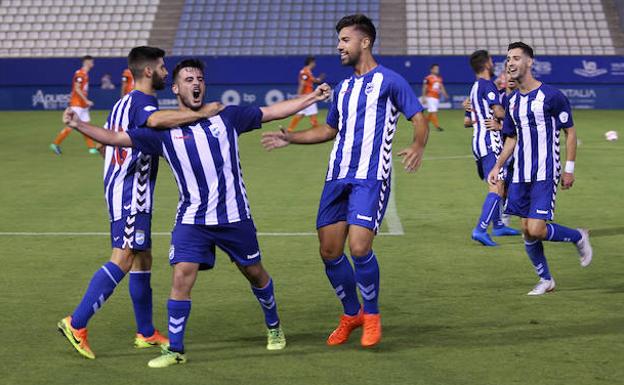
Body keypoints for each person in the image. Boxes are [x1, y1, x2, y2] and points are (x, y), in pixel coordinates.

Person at [63, 58, 332, 367]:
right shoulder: (163, 132)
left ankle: (274, 326)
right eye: (188, 78)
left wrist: (313, 96)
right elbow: (116, 138)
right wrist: (78, 125)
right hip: (192, 219)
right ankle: (175, 349)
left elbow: (272, 112)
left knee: (255, 274)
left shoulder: (228, 116)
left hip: (234, 216)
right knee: (181, 277)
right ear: (176, 88)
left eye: (200, 78)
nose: (195, 83)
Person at [261, 14, 428, 348]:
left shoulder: (390, 81)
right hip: (336, 177)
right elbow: (328, 130)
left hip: (370, 178)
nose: (339, 46)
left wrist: (417, 145)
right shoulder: (343, 88)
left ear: (364, 42)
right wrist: (291, 137)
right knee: (329, 250)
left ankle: (373, 315)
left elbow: (418, 117)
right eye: (339, 40)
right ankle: (351, 314)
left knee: (359, 246)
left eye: (345, 40)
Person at [57, 47, 224, 360]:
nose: (165, 71)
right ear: (149, 71)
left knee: (142, 259)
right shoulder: (145, 102)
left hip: (122, 187)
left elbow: (113, 140)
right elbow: (157, 121)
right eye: (162, 67)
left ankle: (145, 332)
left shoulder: (123, 102)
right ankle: (76, 323)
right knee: (124, 257)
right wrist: (201, 114)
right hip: (132, 191)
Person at [487, 42, 593, 295]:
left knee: (536, 229)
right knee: (526, 229)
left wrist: (568, 169)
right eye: (507, 58)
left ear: (529, 62)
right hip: (521, 174)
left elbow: (570, 132)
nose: (510, 63)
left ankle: (578, 237)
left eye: (515, 58)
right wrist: (498, 166)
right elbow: (511, 138)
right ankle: (546, 280)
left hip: (546, 171)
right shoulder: (512, 102)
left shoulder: (552, 96)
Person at [466, 50, 520, 247]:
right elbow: (497, 111)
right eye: (490, 60)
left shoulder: (475, 87)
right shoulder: (486, 85)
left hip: (479, 140)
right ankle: (480, 229)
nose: (493, 63)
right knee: (496, 186)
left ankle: (498, 225)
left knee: (500, 182)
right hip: (489, 140)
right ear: (486, 64)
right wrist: (516, 120)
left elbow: (469, 118)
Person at [50, 55, 99, 155]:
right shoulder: (80, 74)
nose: (93, 63)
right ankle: (55, 144)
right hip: (77, 104)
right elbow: (77, 88)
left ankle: (91, 148)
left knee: (86, 125)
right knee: (71, 125)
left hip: (82, 105)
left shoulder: (85, 74)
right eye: (91, 62)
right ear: (87, 62)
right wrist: (86, 100)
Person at [285, 56, 325, 132]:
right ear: (311, 62)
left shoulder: (308, 72)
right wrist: (299, 95)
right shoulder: (305, 71)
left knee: (301, 113)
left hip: (306, 95)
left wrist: (319, 79)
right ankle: (318, 131)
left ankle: (289, 130)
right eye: (314, 62)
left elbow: (313, 80)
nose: (315, 64)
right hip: (307, 96)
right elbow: (302, 84)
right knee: (313, 113)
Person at [422, 63, 448, 131]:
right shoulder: (428, 78)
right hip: (430, 97)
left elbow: (441, 87)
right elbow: (424, 87)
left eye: (438, 69)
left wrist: (445, 94)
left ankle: (424, 124)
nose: (437, 70)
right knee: (434, 111)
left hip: (436, 97)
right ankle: (437, 126)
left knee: (431, 112)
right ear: (432, 70)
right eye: (435, 69)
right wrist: (423, 97)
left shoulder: (439, 78)